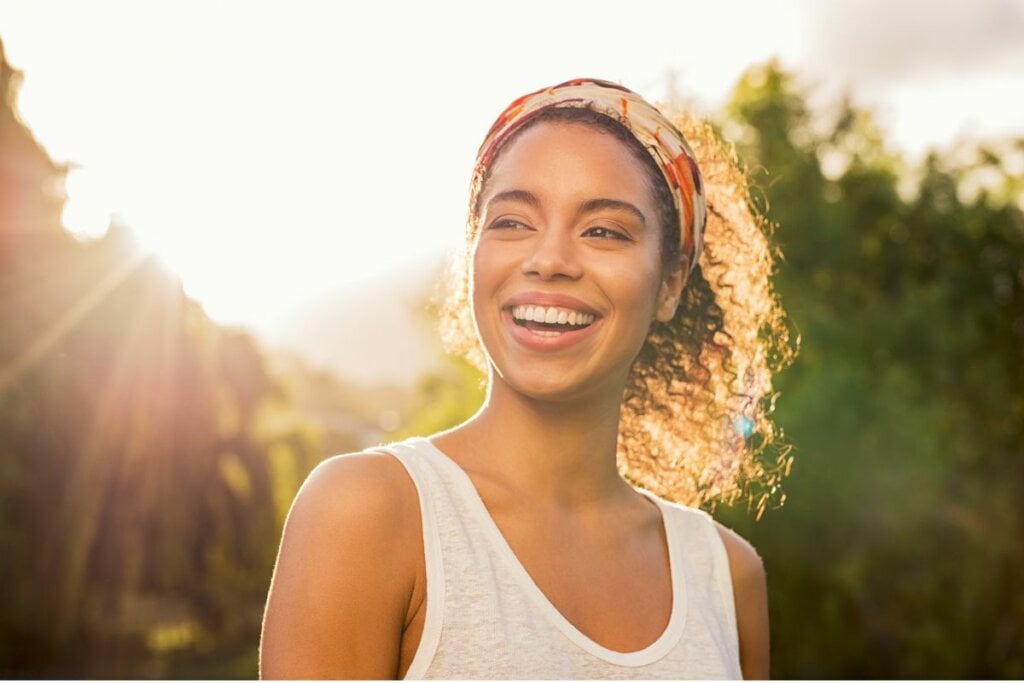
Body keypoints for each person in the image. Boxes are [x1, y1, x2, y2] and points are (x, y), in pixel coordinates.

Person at [259, 78, 794, 679]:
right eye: (512, 222)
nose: (549, 260)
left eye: (604, 231)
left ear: (669, 282)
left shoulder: (725, 576)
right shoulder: (367, 513)